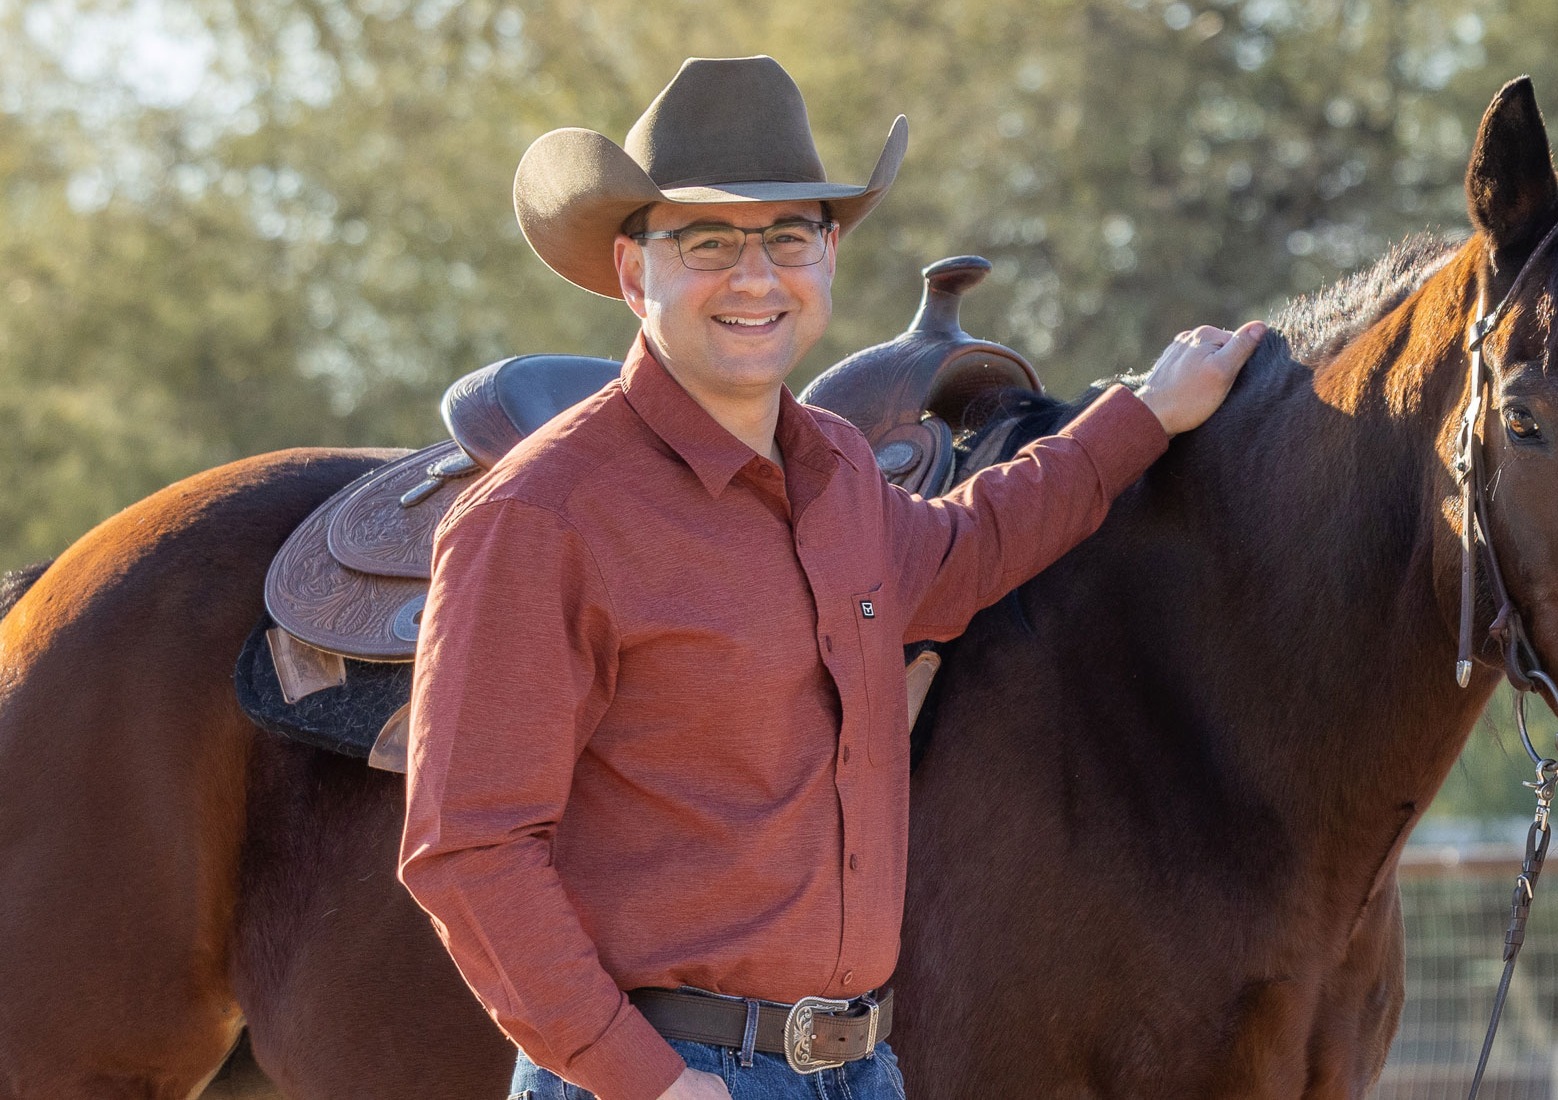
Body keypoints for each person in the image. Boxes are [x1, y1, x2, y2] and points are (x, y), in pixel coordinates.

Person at [397, 55, 1264, 1100]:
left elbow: (962, 552)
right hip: (666, 1078)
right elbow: (468, 849)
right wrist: (646, 1082)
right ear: (635, 274)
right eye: (708, 242)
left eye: (788, 237)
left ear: (831, 253)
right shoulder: (540, 518)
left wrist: (1142, 415)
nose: (756, 277)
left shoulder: (836, 469)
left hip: (857, 1069)